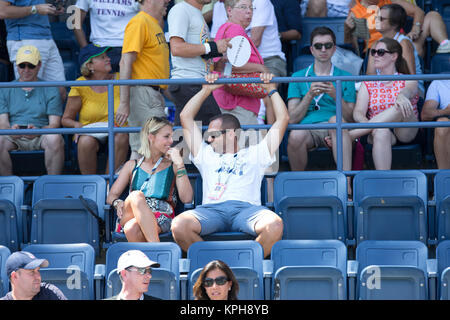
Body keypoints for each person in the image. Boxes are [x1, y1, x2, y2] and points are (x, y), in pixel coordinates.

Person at [171, 72, 288, 258]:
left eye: (214, 134)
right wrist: (206, 90)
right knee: (179, 226)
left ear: (232, 134)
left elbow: (283, 120)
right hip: (211, 210)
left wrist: (271, 90)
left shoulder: (256, 153)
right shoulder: (205, 153)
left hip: (247, 210)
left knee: (275, 225)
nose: (208, 139)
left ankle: (246, 262)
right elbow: (185, 116)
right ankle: (215, 266)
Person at [106, 117, 193, 243]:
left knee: (131, 228)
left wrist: (180, 163)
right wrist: (116, 202)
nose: (171, 141)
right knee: (136, 196)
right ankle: (157, 249)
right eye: (166, 136)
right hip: (131, 213)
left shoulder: (173, 165)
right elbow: (111, 195)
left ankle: (149, 259)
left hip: (161, 216)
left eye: (171, 137)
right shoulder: (132, 165)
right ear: (151, 137)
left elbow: (187, 198)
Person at [287, 27, 356, 173]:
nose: (323, 49)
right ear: (312, 50)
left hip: (338, 128)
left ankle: (347, 185)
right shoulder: (297, 77)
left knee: (335, 121)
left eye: (328, 45)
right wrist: (309, 95)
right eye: (318, 46)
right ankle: (297, 183)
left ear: (334, 49)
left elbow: (351, 118)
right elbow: (292, 119)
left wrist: (336, 96)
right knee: (295, 135)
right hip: (309, 129)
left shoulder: (346, 76)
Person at [349, 37, 419, 170]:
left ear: (394, 56)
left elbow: (409, 91)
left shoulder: (409, 79)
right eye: (373, 52)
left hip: (405, 130)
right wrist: (367, 125)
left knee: (400, 105)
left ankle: (353, 135)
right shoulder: (368, 83)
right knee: (381, 131)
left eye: (380, 52)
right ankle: (384, 180)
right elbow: (358, 112)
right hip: (376, 130)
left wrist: (401, 96)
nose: (375, 55)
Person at [61, 44, 129, 175]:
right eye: (102, 57)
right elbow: (65, 119)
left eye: (106, 56)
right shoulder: (80, 84)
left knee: (121, 135)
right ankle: (92, 185)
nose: (108, 59)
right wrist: (77, 125)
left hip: (117, 129)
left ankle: (111, 185)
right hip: (91, 130)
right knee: (85, 141)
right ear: (89, 66)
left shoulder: (121, 78)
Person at [116, 0, 170, 160]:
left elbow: (156, 70)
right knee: (155, 147)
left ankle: (124, 185)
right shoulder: (139, 22)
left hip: (152, 93)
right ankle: (120, 185)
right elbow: (125, 61)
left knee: (141, 152)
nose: (168, 1)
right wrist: (124, 103)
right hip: (142, 93)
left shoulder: (152, 23)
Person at [0, 45, 64, 176]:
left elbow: (54, 124)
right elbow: (3, 124)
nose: (26, 70)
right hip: (13, 136)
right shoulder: (5, 89)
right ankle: (8, 188)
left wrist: (38, 131)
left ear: (39, 65)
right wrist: (12, 131)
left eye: (31, 65)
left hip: (40, 135)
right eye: (22, 65)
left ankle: (52, 184)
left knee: (55, 138)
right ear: (16, 66)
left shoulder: (50, 89)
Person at [167, 0, 229, 126]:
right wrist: (212, 47)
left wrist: (216, 64)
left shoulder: (196, 13)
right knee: (217, 131)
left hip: (194, 83)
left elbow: (198, 52)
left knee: (186, 139)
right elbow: (177, 48)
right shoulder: (181, 9)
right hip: (189, 83)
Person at [212, 0, 270, 125]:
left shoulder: (225, 27)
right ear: (229, 10)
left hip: (229, 99)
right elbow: (230, 65)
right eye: (243, 7)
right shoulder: (235, 29)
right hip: (237, 103)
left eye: (251, 7)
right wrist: (261, 68)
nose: (249, 11)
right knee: (246, 143)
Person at [0, 0, 67, 100]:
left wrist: (51, 8)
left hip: (46, 36)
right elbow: (2, 11)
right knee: (28, 93)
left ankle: (51, 116)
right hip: (25, 38)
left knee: (59, 92)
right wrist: (34, 9)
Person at [345, 0, 450, 57]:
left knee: (432, 15)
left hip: (402, 42)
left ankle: (445, 44)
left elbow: (418, 11)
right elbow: (354, 47)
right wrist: (347, 29)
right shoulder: (355, 12)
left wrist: (415, 29)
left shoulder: (389, 1)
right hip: (378, 51)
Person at [366, 3, 424, 96]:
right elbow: (370, 75)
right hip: (382, 88)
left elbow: (410, 77)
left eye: (381, 19)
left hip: (407, 91)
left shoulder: (403, 43)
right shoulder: (375, 44)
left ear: (394, 24)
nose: (375, 20)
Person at [72, 0, 140, 72]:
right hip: (100, 50)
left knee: (131, 82)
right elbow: (76, 22)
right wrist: (86, 50)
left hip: (130, 48)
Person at [1, 251, 67, 300]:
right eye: (32, 272)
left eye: (38, 270)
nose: (38, 276)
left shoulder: (51, 293)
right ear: (15, 276)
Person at [420, 78, 450, 169]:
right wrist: (446, 111)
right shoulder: (438, 83)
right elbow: (425, 115)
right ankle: (444, 177)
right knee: (442, 123)